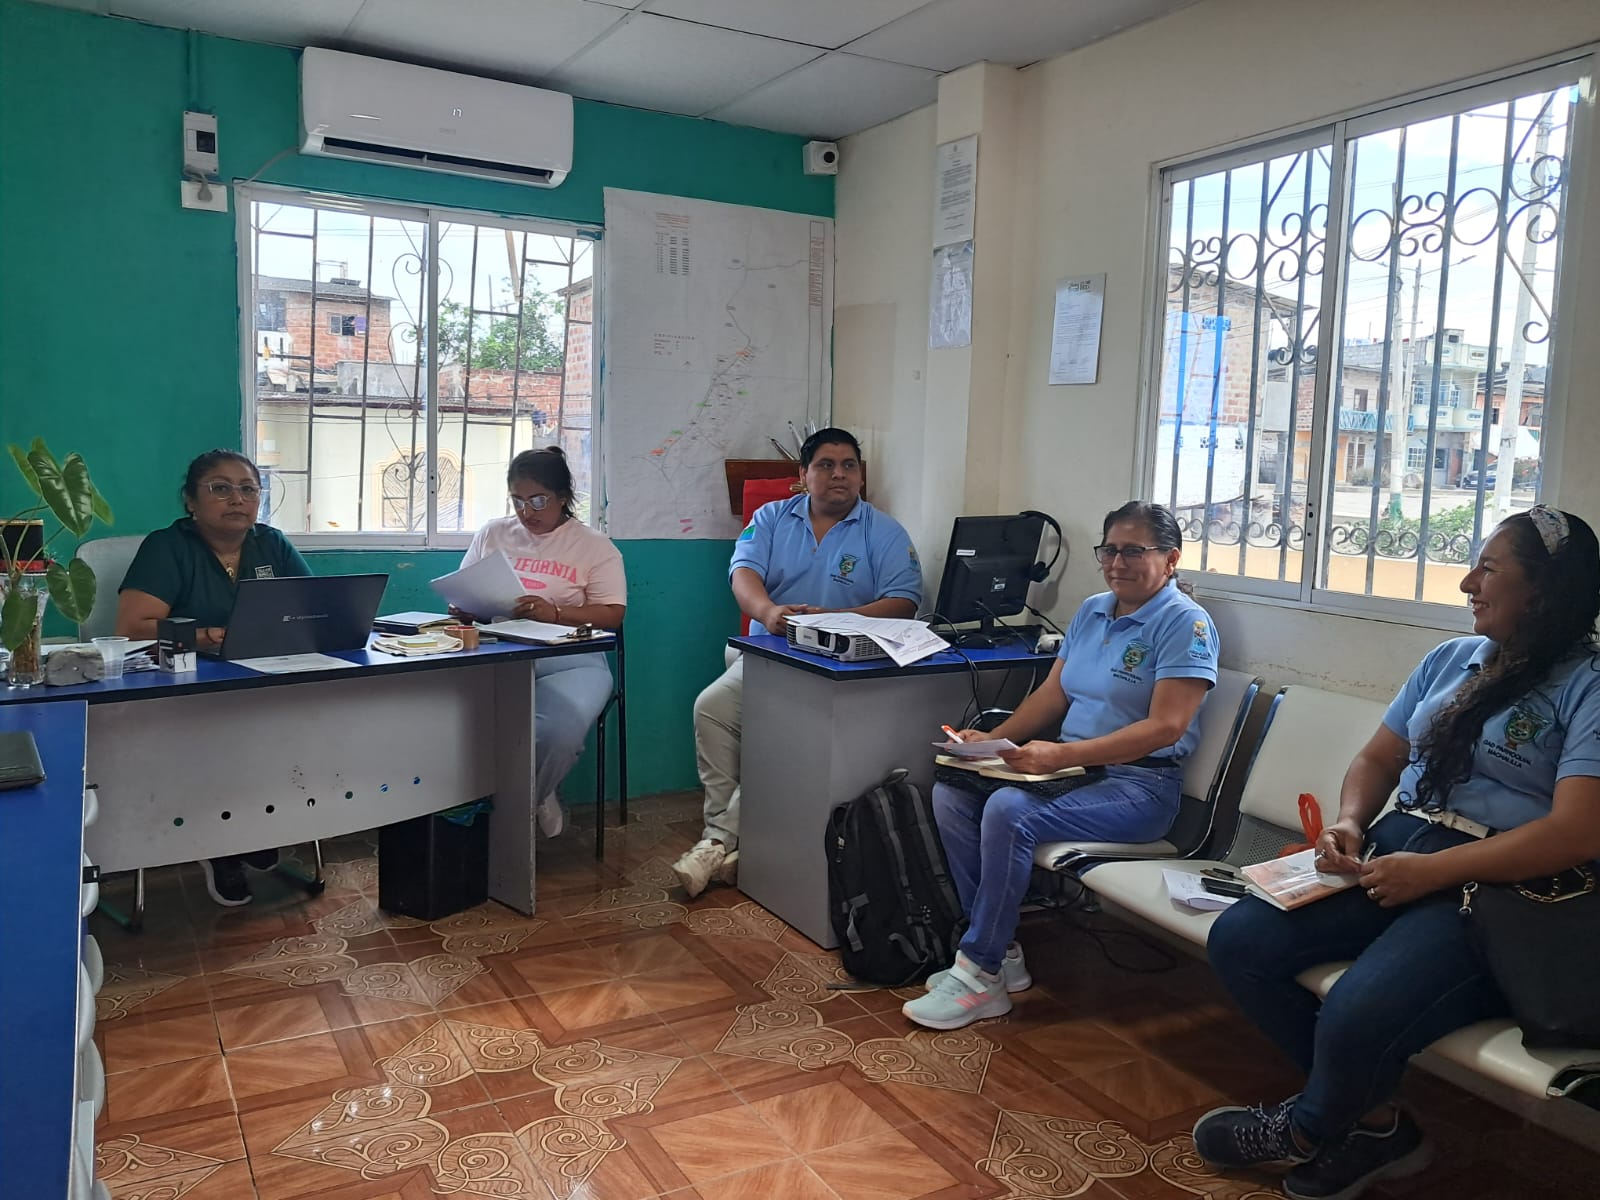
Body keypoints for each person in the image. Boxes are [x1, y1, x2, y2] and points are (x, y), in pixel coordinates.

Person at [1194, 505, 1600, 1200]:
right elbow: (1379, 758)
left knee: (1359, 1008)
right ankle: (1375, 1124)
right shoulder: (1451, 660)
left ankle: (1308, 1128)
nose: (1468, 583)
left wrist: (1433, 873)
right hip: (1398, 847)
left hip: (1496, 887)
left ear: (1542, 590)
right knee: (1241, 939)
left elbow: (1576, 832)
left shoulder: (1587, 684)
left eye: (1489, 569)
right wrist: (1350, 823)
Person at [903, 500, 1217, 1031]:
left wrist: (1061, 754)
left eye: (1133, 551)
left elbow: (1165, 728)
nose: (1117, 563)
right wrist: (992, 741)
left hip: (1140, 786)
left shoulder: (1185, 623)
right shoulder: (1093, 611)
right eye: (1109, 550)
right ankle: (1000, 953)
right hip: (1071, 775)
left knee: (1009, 810)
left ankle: (979, 974)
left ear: (1170, 559)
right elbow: (1054, 694)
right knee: (952, 792)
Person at [674, 427, 922, 898]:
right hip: (771, 653)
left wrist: (834, 620)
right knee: (711, 709)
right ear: (803, 474)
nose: (839, 475)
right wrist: (768, 613)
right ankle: (733, 839)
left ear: (861, 475)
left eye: (849, 466)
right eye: (826, 465)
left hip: (841, 669)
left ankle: (719, 841)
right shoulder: (771, 518)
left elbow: (904, 602)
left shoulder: (884, 531)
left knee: (781, 729)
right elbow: (743, 575)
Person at [117, 449, 310, 906]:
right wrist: (204, 636)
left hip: (261, 679)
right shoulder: (168, 547)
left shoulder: (272, 543)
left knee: (299, 727)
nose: (237, 499)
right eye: (220, 488)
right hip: (185, 683)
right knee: (221, 735)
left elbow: (312, 606)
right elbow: (132, 628)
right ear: (191, 500)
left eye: (248, 489)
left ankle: (255, 825)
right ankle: (216, 843)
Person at [456, 446, 625, 839]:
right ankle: (516, 803)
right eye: (517, 501)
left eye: (537, 500)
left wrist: (556, 613)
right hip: (499, 654)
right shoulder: (493, 533)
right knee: (456, 721)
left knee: (557, 733)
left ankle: (524, 803)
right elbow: (466, 589)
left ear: (562, 497)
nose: (526, 512)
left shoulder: (594, 545)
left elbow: (612, 615)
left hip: (574, 659)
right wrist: (465, 607)